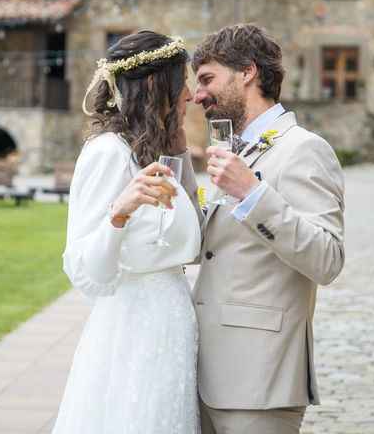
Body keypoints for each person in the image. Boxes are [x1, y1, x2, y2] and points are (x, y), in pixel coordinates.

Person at [191, 23, 345, 434]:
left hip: (260, 377)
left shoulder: (305, 149)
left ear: (247, 72)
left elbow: (328, 259)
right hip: (204, 371)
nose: (198, 94)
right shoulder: (231, 149)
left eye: (207, 79)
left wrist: (254, 195)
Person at [53, 31, 203, 433]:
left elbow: (194, 239)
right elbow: (86, 269)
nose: (189, 95)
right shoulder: (108, 153)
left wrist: (182, 152)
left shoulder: (150, 151)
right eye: (182, 82)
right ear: (155, 86)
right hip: (135, 329)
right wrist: (116, 216)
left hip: (171, 320)